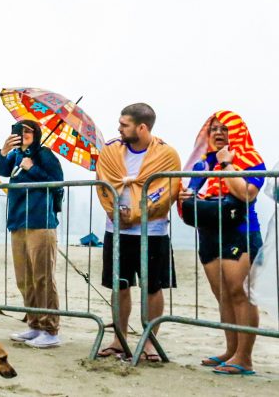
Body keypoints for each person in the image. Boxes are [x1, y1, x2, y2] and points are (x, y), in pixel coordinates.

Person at [179, 111, 265, 375]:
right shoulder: (203, 164)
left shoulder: (252, 160)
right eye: (214, 128)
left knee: (241, 294)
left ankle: (245, 358)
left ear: (237, 133)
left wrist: (227, 165)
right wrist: (185, 196)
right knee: (223, 295)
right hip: (209, 232)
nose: (218, 133)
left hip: (239, 231)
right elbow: (191, 195)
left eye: (225, 129)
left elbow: (246, 194)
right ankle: (231, 350)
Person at [94, 103, 182, 361]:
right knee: (119, 285)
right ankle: (118, 339)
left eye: (124, 124)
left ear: (142, 127)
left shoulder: (167, 154)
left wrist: (133, 215)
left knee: (152, 287)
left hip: (152, 232)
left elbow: (167, 191)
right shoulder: (110, 151)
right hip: (116, 230)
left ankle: (150, 342)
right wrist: (115, 212)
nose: (118, 128)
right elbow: (102, 182)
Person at [0, 119, 65, 349]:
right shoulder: (14, 156)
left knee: (43, 277)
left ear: (37, 133)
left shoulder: (44, 155)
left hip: (40, 221)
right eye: (18, 131)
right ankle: (34, 324)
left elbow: (56, 182)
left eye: (27, 131)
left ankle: (50, 328)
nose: (22, 134)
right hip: (17, 222)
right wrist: (3, 151)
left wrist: (31, 168)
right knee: (24, 278)